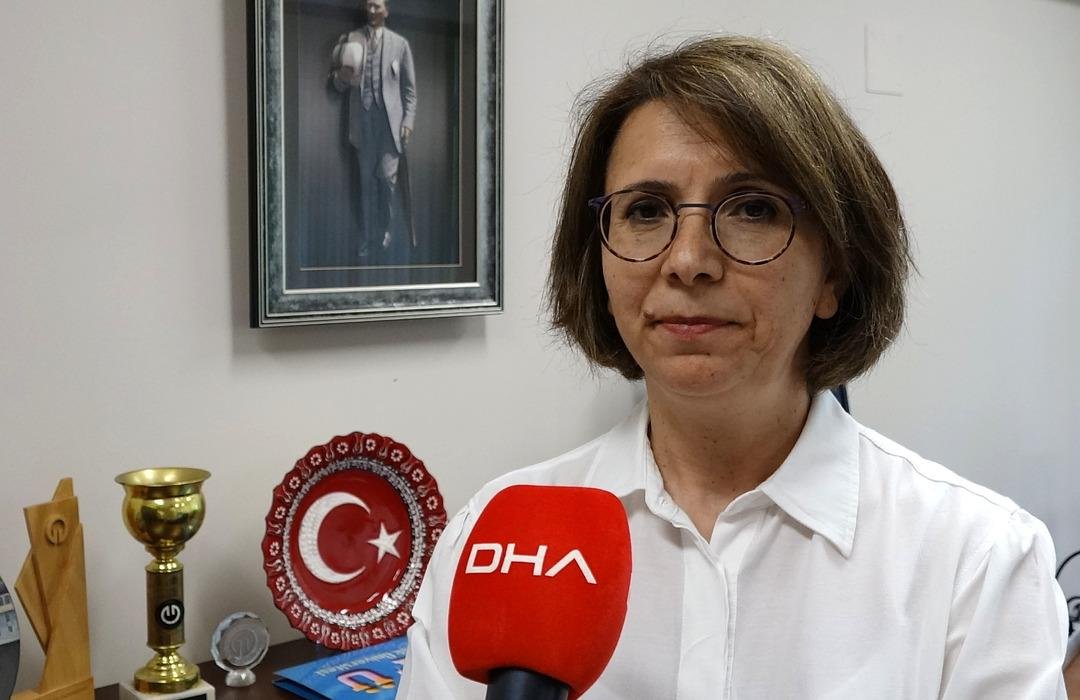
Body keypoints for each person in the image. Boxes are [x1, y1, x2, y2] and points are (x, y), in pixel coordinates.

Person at [398, 36, 1068, 698]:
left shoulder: (976, 559)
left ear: (834, 272)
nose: (688, 260)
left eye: (752, 208)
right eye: (646, 210)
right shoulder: (491, 540)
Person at [331, 0, 416, 257]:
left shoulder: (400, 44)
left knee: (387, 183)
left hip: (390, 128)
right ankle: (367, 237)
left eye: (377, 6)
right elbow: (337, 85)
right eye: (368, 5)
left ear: (386, 11)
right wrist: (341, 77)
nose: (371, 11)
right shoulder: (351, 39)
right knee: (366, 185)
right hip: (362, 125)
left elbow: (409, 91)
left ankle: (385, 229)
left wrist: (408, 122)